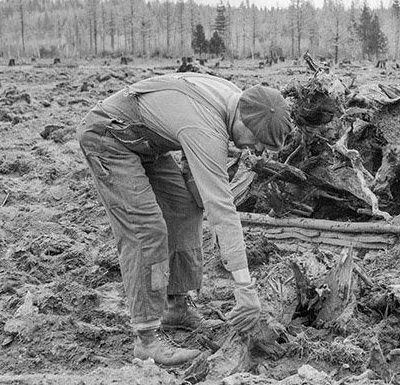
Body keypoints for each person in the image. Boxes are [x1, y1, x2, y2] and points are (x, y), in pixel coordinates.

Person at [76, 72, 292, 366]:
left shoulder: (233, 99)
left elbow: (195, 164)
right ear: (243, 118)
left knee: (186, 206)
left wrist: (197, 186)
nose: (255, 149)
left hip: (148, 142)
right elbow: (222, 208)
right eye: (256, 140)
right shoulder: (205, 127)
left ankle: (175, 306)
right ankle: (147, 339)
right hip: (109, 137)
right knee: (146, 231)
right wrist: (244, 287)